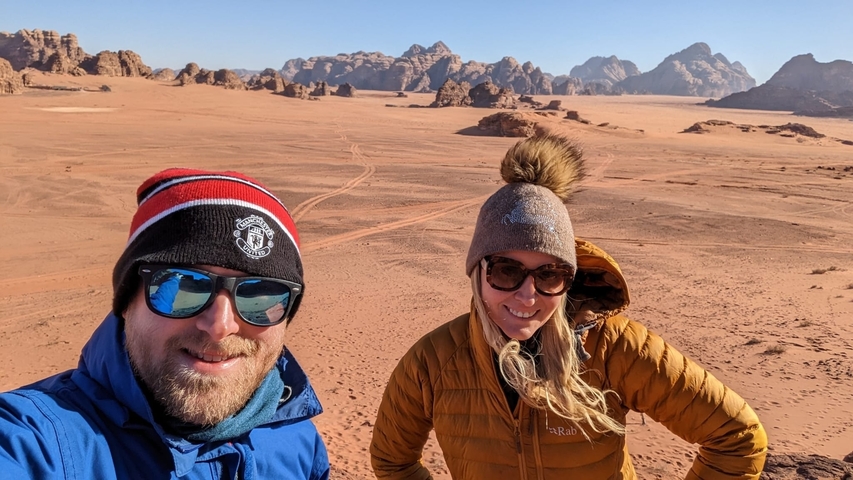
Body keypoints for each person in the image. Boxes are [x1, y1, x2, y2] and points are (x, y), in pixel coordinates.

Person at [370, 135, 767, 479]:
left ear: (569, 279)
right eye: (507, 271)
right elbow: (392, 461)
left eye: (550, 275)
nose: (528, 296)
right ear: (478, 271)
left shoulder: (614, 348)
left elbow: (738, 437)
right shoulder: (434, 361)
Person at [0, 168, 330, 479]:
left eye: (260, 294)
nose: (219, 326)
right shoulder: (33, 443)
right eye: (183, 285)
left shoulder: (296, 440)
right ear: (126, 303)